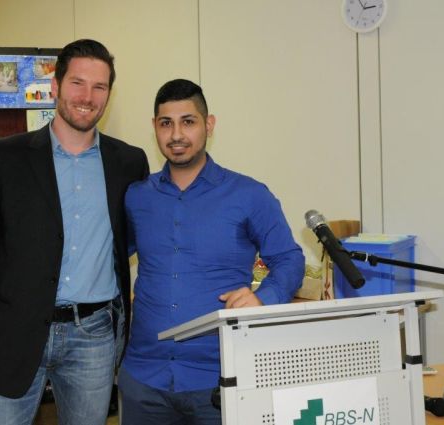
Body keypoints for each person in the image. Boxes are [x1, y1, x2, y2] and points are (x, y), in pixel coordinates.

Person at [0, 39, 149, 425]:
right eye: (77, 83)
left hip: (93, 337)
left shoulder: (130, 163)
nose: (87, 97)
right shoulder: (5, 157)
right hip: (12, 332)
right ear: (55, 86)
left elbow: (133, 242)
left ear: (109, 94)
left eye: (99, 87)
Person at [119, 79, 305, 425]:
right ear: (154, 127)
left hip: (220, 381)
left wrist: (264, 297)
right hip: (144, 380)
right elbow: (109, 256)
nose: (176, 134)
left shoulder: (249, 194)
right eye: (166, 123)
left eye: (188, 121)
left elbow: (290, 258)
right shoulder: (137, 196)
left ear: (209, 124)